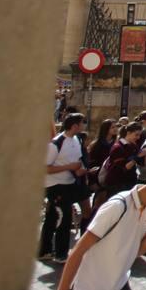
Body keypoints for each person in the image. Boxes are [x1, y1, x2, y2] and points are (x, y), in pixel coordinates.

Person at [42, 113, 88, 263]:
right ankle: (61, 253)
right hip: (55, 185)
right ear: (75, 125)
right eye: (82, 123)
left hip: (70, 184)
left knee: (52, 217)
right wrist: (69, 167)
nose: (84, 126)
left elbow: (76, 160)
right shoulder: (56, 143)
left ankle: (44, 250)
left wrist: (79, 170)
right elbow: (46, 168)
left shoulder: (76, 139)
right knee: (64, 217)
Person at [102, 122, 143, 196]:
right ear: (129, 133)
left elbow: (142, 163)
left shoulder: (133, 146)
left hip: (129, 181)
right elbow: (125, 167)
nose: (138, 137)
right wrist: (138, 156)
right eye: (136, 135)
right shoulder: (118, 147)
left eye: (139, 135)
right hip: (117, 183)